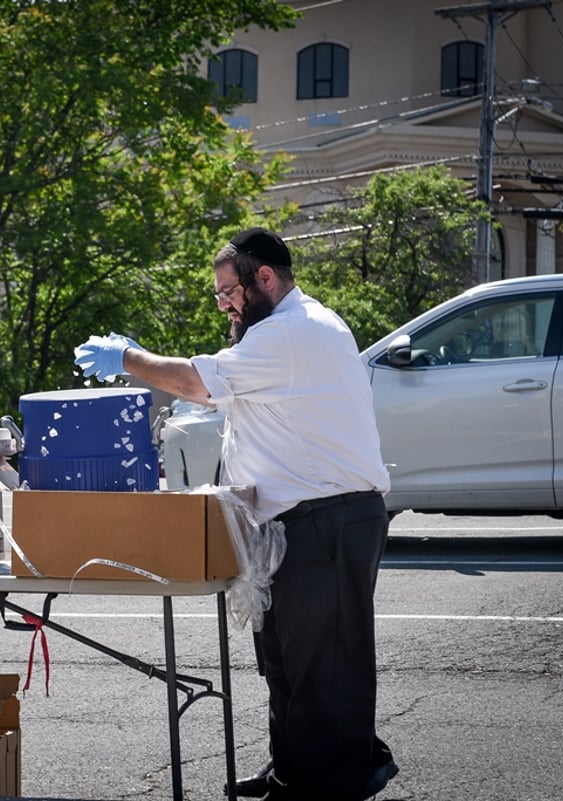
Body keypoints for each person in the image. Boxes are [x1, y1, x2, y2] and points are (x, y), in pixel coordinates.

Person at [74, 228, 397, 801]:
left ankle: (334, 783)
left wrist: (126, 356)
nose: (223, 303)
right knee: (285, 662)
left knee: (324, 666)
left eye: (228, 291)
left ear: (265, 279)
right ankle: (293, 772)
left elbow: (194, 384)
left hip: (328, 518)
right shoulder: (276, 334)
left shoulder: (295, 333)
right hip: (293, 523)